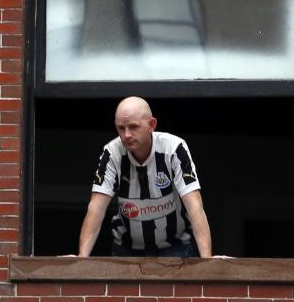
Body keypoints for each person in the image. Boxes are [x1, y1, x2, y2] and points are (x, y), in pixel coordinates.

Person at [76, 96, 212, 258]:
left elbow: (195, 207)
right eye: (121, 128)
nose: (126, 135)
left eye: (133, 127)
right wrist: (81, 260)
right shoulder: (112, 153)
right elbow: (96, 209)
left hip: (176, 246)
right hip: (126, 248)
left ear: (151, 125)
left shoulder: (174, 148)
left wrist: (208, 263)